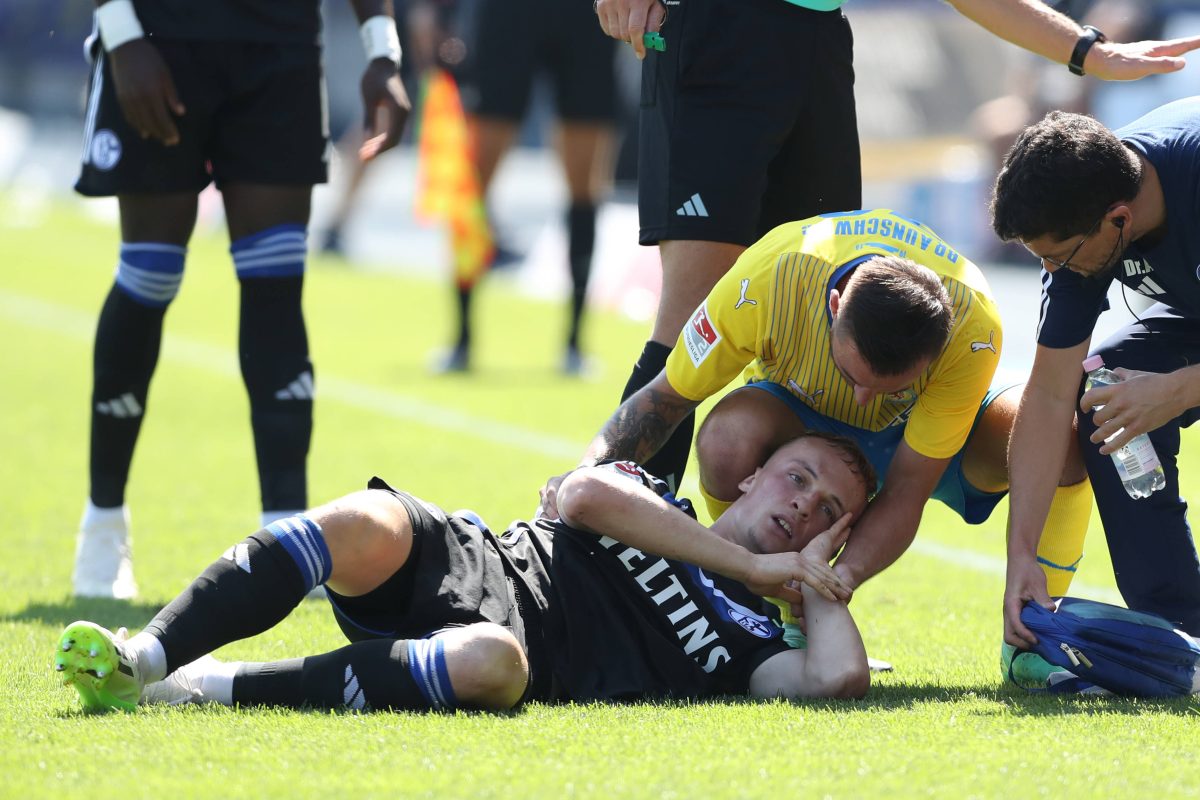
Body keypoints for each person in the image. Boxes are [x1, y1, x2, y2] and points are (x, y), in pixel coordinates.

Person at [592, 0, 1200, 494]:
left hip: (820, 39)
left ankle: (780, 603)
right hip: (718, 26)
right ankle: (613, 548)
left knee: (827, 343)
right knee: (686, 327)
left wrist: (1085, 50)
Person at [541, 210, 1094, 676]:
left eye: (888, 388)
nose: (862, 401)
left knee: (1063, 442)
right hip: (800, 423)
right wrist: (580, 477)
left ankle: (1036, 637)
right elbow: (664, 400)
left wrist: (829, 584)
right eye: (852, 373)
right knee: (729, 436)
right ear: (833, 307)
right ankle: (752, 608)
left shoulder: (972, 328)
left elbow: (905, 492)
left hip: (918, 445)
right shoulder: (765, 280)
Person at [55, 432, 874, 713]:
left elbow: (837, 679)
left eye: (828, 508)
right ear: (751, 475)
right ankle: (147, 653)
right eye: (798, 477)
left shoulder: (752, 642)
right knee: (365, 520)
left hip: (509, 648)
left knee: (492, 664)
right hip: (474, 561)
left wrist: (810, 579)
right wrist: (753, 561)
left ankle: (195, 687)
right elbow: (584, 493)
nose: (805, 505)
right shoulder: (656, 497)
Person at [71, 0, 411, 598]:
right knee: (149, 276)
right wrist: (121, 35)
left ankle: (283, 536)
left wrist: (382, 48)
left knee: (276, 284)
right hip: (161, 33)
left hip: (280, 48)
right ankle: (102, 524)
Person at [990, 98, 1200, 647]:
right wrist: (1021, 556)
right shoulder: (1085, 206)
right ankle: (1184, 630)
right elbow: (1050, 395)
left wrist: (1177, 389)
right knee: (1104, 391)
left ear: (1119, 219)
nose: (1053, 273)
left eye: (1058, 257)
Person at [436, 0, 617, 374]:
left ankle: (575, 344)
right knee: (475, 176)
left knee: (585, 180)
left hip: (587, 14)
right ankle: (462, 338)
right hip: (510, 12)